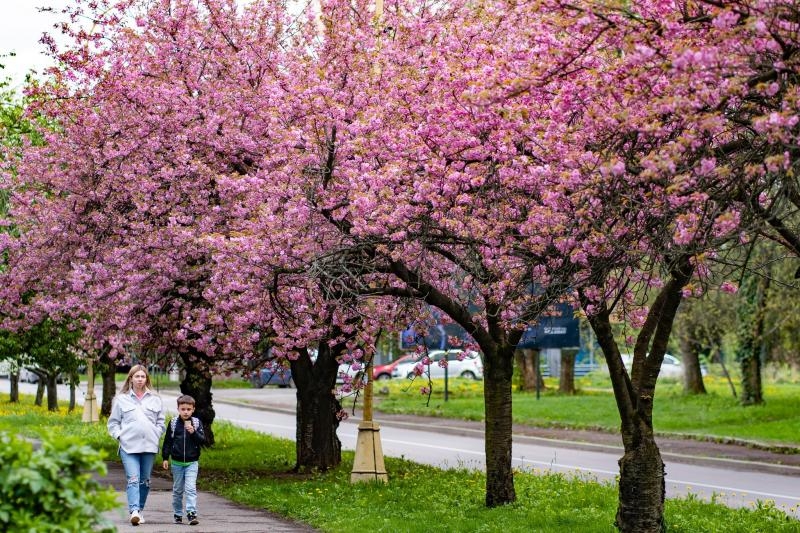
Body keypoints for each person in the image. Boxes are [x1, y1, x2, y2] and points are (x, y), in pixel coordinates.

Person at [107, 364, 165, 526]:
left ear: (147, 379)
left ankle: (139, 510)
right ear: (131, 379)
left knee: (145, 480)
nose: (140, 379)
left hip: (149, 446)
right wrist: (120, 436)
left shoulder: (155, 399)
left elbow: (161, 422)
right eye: (137, 376)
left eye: (143, 376)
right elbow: (113, 423)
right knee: (133, 479)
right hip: (128, 447)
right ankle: (134, 511)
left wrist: (157, 433)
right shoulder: (121, 399)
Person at [162, 394, 206, 525]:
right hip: (177, 462)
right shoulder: (174, 422)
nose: (185, 412)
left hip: (192, 462)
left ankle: (192, 513)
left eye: (188, 409)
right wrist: (165, 457)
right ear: (178, 409)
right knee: (177, 490)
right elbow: (168, 441)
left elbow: (202, 440)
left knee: (191, 488)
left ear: (193, 409)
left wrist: (193, 432)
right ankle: (177, 513)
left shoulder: (197, 422)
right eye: (183, 409)